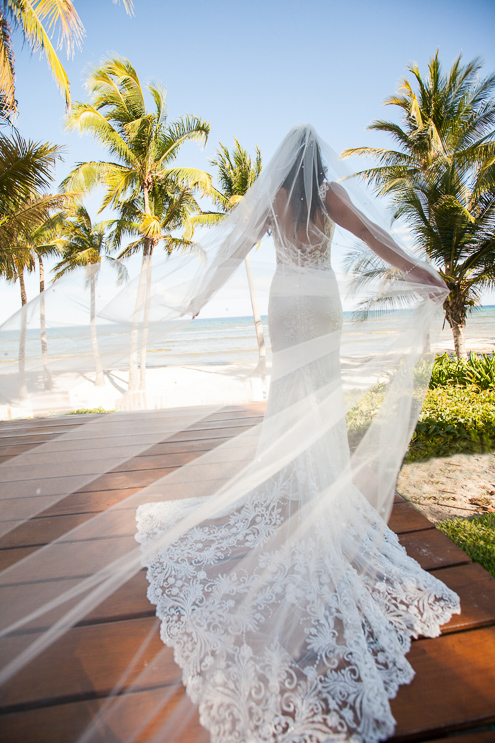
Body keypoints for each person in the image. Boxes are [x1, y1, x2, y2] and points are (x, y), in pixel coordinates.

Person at [134, 125, 460, 743]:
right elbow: (372, 234)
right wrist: (421, 271)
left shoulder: (274, 200)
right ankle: (317, 480)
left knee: (289, 394)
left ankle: (288, 478)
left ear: (285, 164)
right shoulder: (331, 195)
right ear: (320, 161)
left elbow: (231, 250)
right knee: (322, 396)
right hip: (321, 299)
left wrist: (198, 296)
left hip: (287, 300)